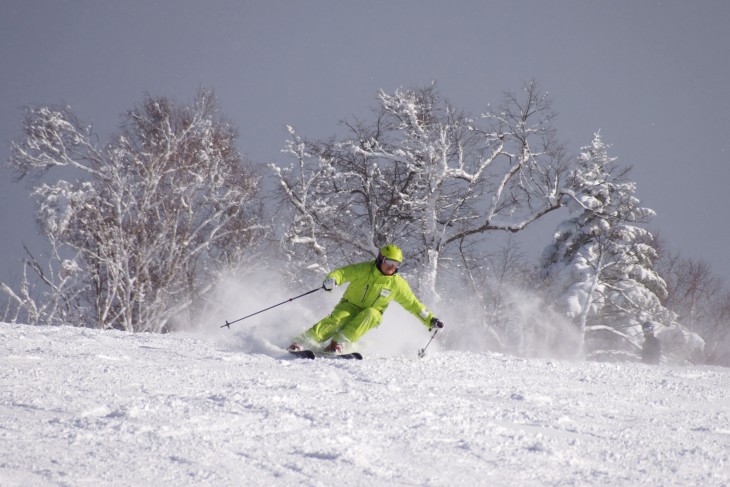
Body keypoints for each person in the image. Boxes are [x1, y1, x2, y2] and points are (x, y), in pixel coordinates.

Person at [288, 244, 445, 353]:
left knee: (371, 314)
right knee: (337, 320)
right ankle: (303, 341)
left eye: (396, 264)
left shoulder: (397, 284)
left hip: (373, 313)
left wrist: (430, 320)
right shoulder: (364, 269)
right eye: (388, 261)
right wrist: (332, 280)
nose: (391, 267)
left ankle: (337, 343)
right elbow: (342, 273)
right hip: (349, 305)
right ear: (380, 259)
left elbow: (413, 304)